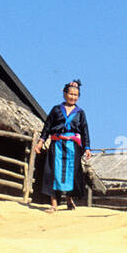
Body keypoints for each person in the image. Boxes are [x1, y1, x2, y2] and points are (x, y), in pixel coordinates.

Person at [36, 79, 90, 211]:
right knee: (54, 172)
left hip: (73, 147)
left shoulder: (80, 113)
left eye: (75, 95)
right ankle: (54, 204)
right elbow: (47, 127)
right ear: (65, 94)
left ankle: (69, 199)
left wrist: (87, 148)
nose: (73, 97)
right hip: (57, 146)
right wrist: (40, 142)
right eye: (70, 94)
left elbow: (85, 131)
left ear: (78, 97)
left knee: (72, 173)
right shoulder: (56, 110)